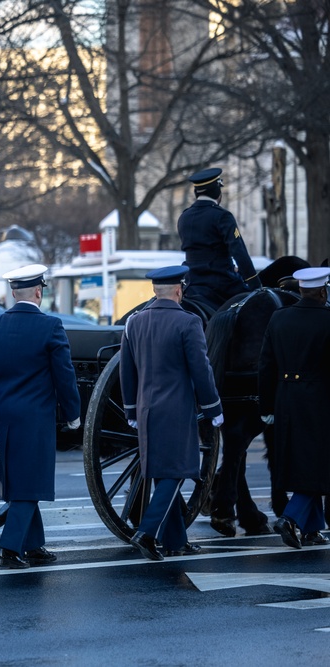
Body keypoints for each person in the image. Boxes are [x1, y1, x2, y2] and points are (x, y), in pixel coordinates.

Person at [0, 264, 81, 569]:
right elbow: (64, 375)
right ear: (38, 291)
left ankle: (33, 546)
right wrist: (72, 413)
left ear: (12, 292)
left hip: (4, 417)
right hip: (36, 417)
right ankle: (8, 548)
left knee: (20, 480)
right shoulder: (51, 327)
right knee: (29, 485)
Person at [120, 266, 223, 561]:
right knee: (177, 472)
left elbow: (127, 371)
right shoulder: (188, 322)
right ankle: (147, 533)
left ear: (156, 290)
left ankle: (176, 540)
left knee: (162, 472)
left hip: (145, 409)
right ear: (180, 289)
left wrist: (130, 409)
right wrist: (213, 406)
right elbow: (201, 370)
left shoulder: (133, 322)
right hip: (176, 410)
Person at [259, 267, 330, 549]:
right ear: (323, 290)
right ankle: (290, 517)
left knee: (303, 461)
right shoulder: (328, 320)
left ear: (300, 289)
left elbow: (266, 365)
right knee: (320, 465)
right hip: (320, 399)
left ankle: (312, 529)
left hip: (285, 397)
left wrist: (266, 406)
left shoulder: (279, 317)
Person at [178, 167, 261, 312]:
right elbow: (239, 251)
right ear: (217, 191)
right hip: (221, 283)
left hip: (191, 282)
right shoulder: (222, 216)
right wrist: (255, 284)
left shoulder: (184, 217)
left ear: (196, 192)